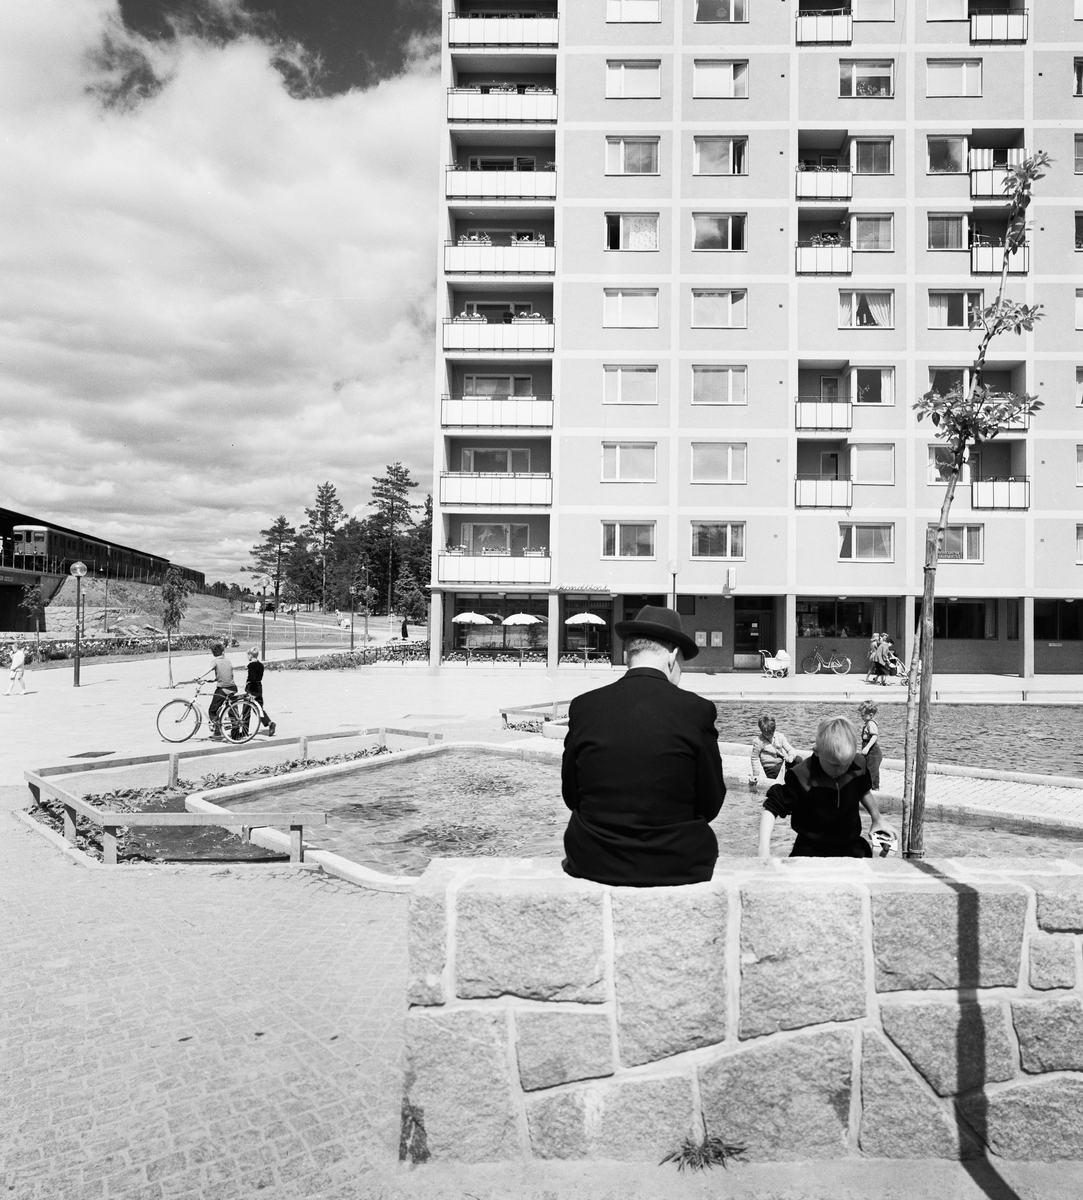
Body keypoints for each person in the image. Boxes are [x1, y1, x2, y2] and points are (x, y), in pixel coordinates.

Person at [561, 605, 726, 886]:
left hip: (593, 859)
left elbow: (571, 796)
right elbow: (710, 803)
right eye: (682, 661)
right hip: (677, 861)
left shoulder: (584, 706)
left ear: (628, 655)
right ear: (672, 656)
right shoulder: (697, 710)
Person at [757, 716, 894, 859]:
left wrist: (877, 818)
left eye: (847, 764)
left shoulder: (858, 764)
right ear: (817, 751)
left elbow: (863, 790)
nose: (841, 770)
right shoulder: (802, 776)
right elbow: (772, 807)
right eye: (834, 765)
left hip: (850, 844)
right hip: (811, 849)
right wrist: (763, 851)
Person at [748, 713, 800, 790]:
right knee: (787, 774)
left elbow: (790, 749)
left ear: (775, 728)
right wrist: (756, 774)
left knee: (798, 760)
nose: (769, 736)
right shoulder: (758, 741)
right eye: (766, 734)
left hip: (781, 764)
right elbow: (754, 758)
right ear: (761, 730)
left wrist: (791, 756)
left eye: (771, 733)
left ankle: (800, 777)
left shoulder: (780, 737)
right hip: (771, 769)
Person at [202, 642, 237, 740]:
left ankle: (217, 731)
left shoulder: (215, 661)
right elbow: (229, 675)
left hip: (223, 689)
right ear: (223, 651)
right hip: (232, 687)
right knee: (231, 709)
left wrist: (199, 677)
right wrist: (215, 679)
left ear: (213, 653)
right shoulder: (228, 661)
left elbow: (209, 669)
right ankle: (235, 732)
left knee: (212, 710)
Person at [244, 646, 276, 737]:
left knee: (246, 709)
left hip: (252, 687)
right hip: (259, 686)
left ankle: (244, 730)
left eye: (247, 655)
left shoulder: (251, 665)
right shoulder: (260, 665)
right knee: (258, 708)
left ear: (250, 655)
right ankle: (269, 723)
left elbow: (252, 678)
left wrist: (250, 690)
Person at [858, 700, 882, 790]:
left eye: (863, 715)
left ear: (871, 715)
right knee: (873, 769)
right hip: (870, 751)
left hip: (873, 751)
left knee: (870, 770)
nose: (861, 717)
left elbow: (874, 736)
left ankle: (866, 789)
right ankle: (875, 787)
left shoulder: (871, 724)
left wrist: (867, 747)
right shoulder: (868, 723)